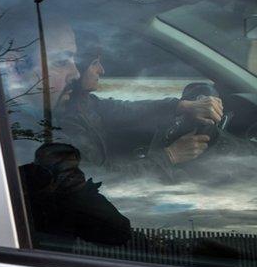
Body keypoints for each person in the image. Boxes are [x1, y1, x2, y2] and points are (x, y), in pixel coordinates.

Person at [16, 16, 132, 247]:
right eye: (61, 61)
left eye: (74, 60)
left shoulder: (34, 122)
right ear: (15, 66)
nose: (76, 73)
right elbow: (115, 229)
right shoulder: (37, 147)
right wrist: (169, 157)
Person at [55, 30, 224, 181]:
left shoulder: (83, 103)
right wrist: (170, 156)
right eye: (94, 63)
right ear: (81, 67)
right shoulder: (68, 124)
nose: (102, 70)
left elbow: (125, 110)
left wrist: (182, 106)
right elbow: (103, 179)